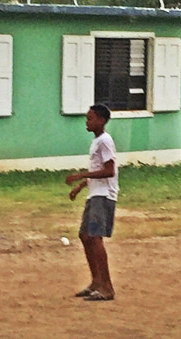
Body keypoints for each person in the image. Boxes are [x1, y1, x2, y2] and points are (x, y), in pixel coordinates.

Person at [65, 104, 118, 302]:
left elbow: (109, 170)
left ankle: (107, 287)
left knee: (95, 237)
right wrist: (81, 185)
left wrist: (81, 174)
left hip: (103, 195)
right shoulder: (97, 141)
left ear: (101, 120)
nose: (87, 122)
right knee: (85, 236)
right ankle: (96, 281)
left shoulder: (105, 141)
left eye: (90, 118)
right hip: (95, 193)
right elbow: (99, 169)